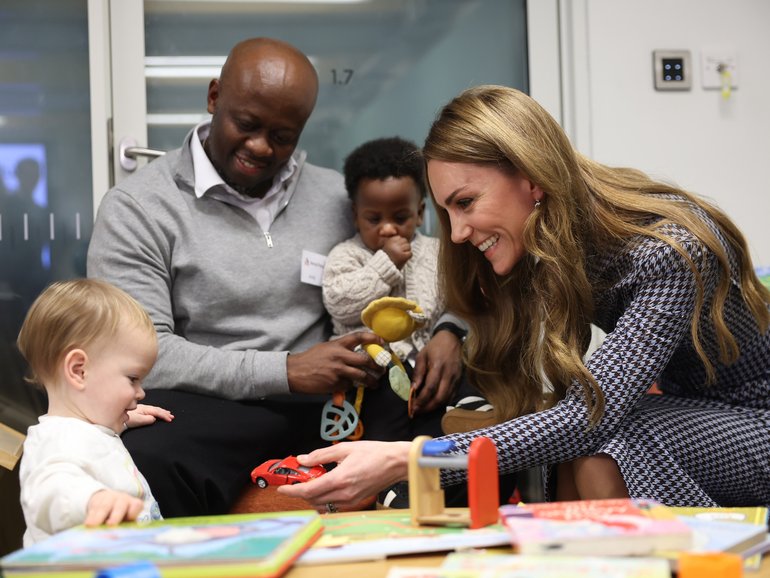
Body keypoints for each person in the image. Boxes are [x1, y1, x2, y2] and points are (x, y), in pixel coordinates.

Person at [279, 85, 770, 512]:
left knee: (608, 437)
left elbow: (586, 416)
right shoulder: (551, 242)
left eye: (465, 203)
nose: (455, 233)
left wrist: (408, 460)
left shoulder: (666, 249)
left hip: (758, 426)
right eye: (447, 211)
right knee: (583, 438)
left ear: (532, 178)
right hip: (691, 410)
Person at [87, 38, 463, 516]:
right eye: (246, 124)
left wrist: (451, 329)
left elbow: (433, 269)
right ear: (213, 98)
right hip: (214, 403)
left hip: (338, 396)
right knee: (149, 457)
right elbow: (142, 356)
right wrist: (287, 370)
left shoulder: (340, 198)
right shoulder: (139, 207)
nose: (261, 147)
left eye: (283, 135)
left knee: (459, 426)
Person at [322, 137, 480, 441]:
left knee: (445, 414)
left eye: (400, 217)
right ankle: (392, 485)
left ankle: (471, 415)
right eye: (373, 218)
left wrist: (448, 335)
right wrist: (385, 264)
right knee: (384, 429)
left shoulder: (438, 252)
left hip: (428, 365)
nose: (388, 228)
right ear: (355, 215)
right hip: (373, 371)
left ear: (420, 213)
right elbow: (339, 302)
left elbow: (461, 301)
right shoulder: (346, 255)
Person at [16, 278, 173, 545]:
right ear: (79, 370)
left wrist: (123, 420)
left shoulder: (85, 428)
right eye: (132, 378)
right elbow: (50, 490)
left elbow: (92, 442)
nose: (140, 392)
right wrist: (92, 499)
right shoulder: (55, 441)